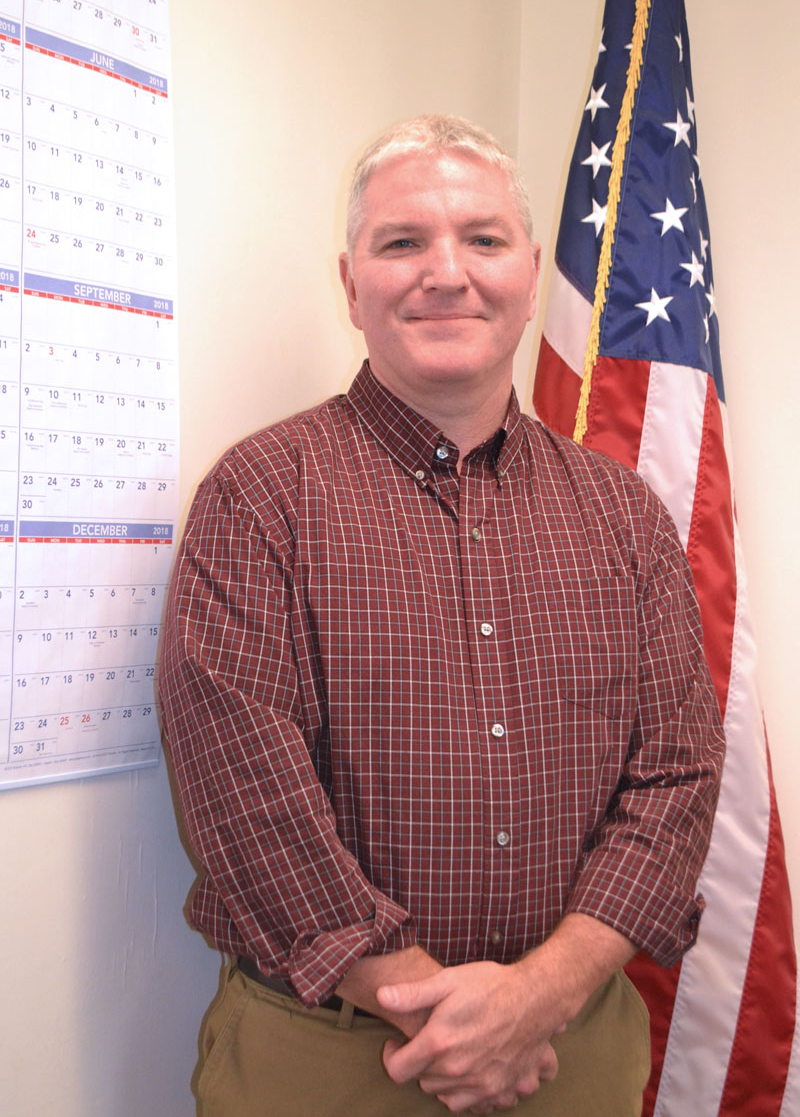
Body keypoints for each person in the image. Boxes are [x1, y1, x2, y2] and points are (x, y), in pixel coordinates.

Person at [159, 114, 725, 1117]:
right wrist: (440, 1012)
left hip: (569, 1054)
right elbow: (247, 802)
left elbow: (675, 777)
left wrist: (538, 997)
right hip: (328, 1060)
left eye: (481, 237)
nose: (445, 272)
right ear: (351, 283)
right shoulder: (258, 497)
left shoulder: (621, 515)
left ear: (528, 269)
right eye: (402, 242)